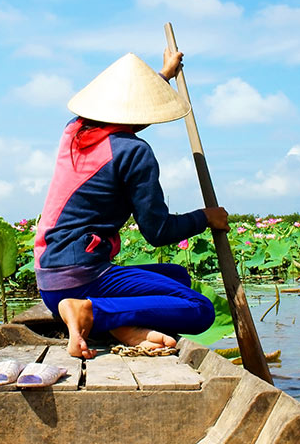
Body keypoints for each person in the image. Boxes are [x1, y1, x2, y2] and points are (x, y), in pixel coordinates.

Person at [33, 48, 229, 359]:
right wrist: (205, 217)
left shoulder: (74, 131)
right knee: (200, 308)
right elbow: (158, 231)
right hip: (82, 279)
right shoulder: (134, 153)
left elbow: (127, 108)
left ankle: (114, 323)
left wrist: (163, 75)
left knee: (176, 277)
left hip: (49, 281)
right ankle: (92, 313)